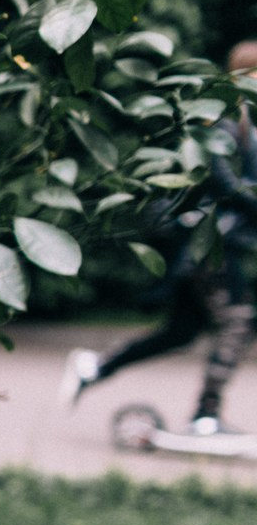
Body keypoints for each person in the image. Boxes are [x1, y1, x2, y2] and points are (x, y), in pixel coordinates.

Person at [61, 41, 257, 435]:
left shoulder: (245, 123)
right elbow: (223, 182)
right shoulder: (223, 118)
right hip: (208, 242)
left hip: (212, 242)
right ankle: (205, 416)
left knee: (181, 331)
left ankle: (95, 367)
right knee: (237, 322)